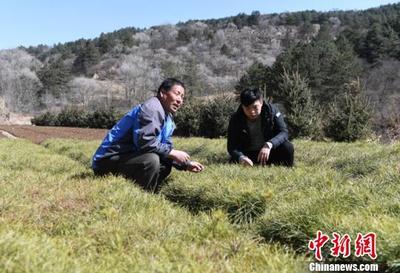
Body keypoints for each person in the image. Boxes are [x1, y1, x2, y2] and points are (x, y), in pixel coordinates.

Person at [92, 78, 204, 192]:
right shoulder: (152, 108)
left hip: (127, 157)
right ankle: (142, 197)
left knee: (165, 161)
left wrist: (185, 164)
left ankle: (149, 191)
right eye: (177, 94)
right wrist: (172, 153)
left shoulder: (168, 118)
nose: (180, 100)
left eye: (182, 97)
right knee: (151, 160)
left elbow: (165, 147)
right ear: (163, 94)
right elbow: (144, 142)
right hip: (107, 161)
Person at [227, 88, 294, 167]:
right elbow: (232, 146)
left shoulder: (272, 111)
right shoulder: (236, 119)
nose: (252, 111)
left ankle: (286, 168)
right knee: (234, 159)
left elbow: (283, 132)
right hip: (248, 154)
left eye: (255, 107)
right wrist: (241, 157)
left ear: (261, 102)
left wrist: (269, 144)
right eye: (247, 108)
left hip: (269, 152)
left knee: (288, 147)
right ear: (242, 107)